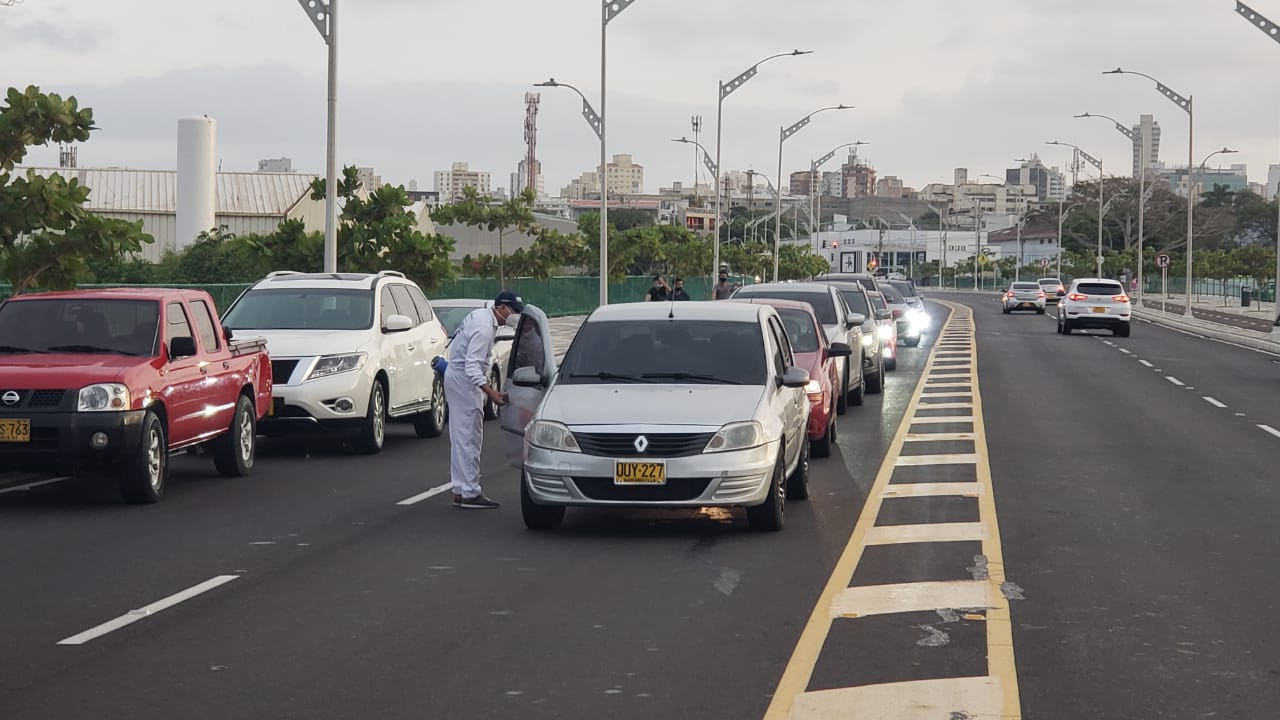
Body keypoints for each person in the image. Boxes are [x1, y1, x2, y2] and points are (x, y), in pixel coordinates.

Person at [444, 290, 523, 509]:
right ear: (502, 308)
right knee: (469, 436)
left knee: (460, 436)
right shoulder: (484, 327)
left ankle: (460, 489)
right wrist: (492, 393)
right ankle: (470, 492)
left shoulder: (481, 316)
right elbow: (472, 366)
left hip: (456, 376)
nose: (515, 315)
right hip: (463, 380)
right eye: (514, 311)